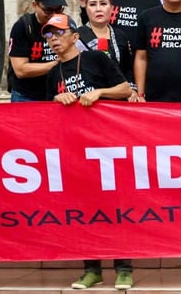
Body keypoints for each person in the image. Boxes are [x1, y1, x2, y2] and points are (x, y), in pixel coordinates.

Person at [41, 15, 132, 289]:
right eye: (49, 36)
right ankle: (92, 269)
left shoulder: (95, 59)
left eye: (59, 33)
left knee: (115, 209)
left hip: (107, 145)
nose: (54, 40)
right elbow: (46, 115)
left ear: (75, 36)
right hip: (74, 149)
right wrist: (57, 99)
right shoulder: (52, 74)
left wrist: (99, 93)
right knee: (83, 210)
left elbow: (125, 89)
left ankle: (124, 269)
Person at [7, 0, 67, 102]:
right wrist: (55, 65)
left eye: (58, 10)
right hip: (26, 96)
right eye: (48, 10)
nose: (54, 15)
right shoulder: (23, 27)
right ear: (35, 5)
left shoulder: (65, 24)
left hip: (57, 94)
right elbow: (20, 70)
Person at [77, 0, 135, 85]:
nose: (98, 9)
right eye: (92, 4)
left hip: (119, 92)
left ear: (112, 8)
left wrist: (132, 89)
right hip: (88, 92)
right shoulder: (77, 36)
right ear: (86, 8)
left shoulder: (120, 36)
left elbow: (128, 69)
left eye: (103, 4)